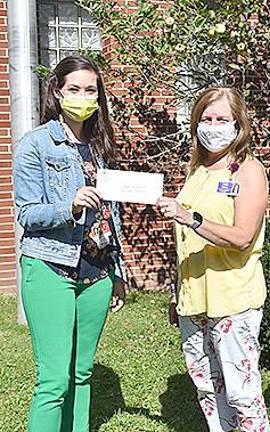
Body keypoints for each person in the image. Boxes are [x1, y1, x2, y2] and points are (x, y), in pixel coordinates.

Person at [13, 55, 127, 432]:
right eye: (74, 89)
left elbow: (112, 215)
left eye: (90, 90)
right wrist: (70, 206)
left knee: (81, 375)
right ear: (57, 92)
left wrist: (119, 272)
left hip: (96, 274)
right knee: (54, 381)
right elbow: (27, 214)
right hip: (49, 267)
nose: (82, 96)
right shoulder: (36, 145)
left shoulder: (99, 146)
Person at [157, 87, 270, 432]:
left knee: (241, 391)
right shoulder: (198, 170)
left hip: (233, 297)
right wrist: (178, 292)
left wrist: (190, 217)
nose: (213, 125)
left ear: (239, 124)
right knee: (207, 386)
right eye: (206, 119)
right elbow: (185, 241)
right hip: (195, 298)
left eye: (222, 119)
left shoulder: (248, 171)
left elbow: (242, 237)